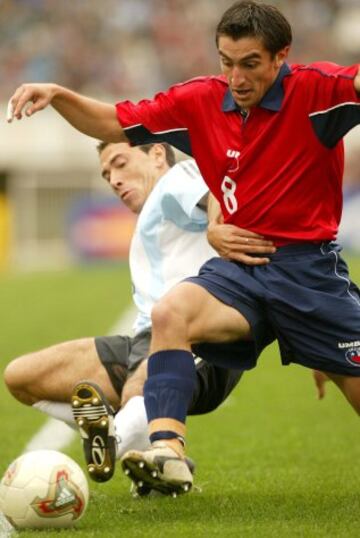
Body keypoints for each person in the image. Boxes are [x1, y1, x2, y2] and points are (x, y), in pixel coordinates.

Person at [7, 0, 360, 496]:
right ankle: (168, 454)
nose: (236, 77)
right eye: (226, 61)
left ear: (282, 56)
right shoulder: (199, 101)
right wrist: (60, 93)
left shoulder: (316, 91)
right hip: (240, 270)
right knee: (172, 312)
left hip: (309, 275)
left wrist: (214, 221)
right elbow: (113, 122)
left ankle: (125, 431)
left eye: (250, 63)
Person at [4, 140, 275, 488]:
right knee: (21, 377)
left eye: (119, 163)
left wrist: (215, 225)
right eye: (106, 174)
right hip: (144, 338)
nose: (113, 179)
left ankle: (118, 439)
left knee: (140, 386)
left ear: (158, 155)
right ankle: (137, 444)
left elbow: (214, 198)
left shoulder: (175, 180)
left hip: (197, 337)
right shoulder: (157, 211)